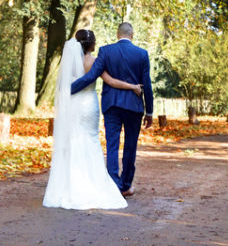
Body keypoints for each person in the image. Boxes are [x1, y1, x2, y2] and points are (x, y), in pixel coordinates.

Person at [42, 29, 143, 210]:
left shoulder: (68, 64)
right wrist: (133, 86)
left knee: (73, 140)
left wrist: (67, 91)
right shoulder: (94, 62)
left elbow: (63, 85)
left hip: (73, 105)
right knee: (91, 139)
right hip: (88, 104)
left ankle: (71, 185)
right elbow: (111, 81)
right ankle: (94, 184)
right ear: (92, 44)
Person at [69, 22, 153, 196]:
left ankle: (113, 184)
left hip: (111, 105)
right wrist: (150, 111)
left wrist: (68, 90)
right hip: (134, 106)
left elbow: (91, 76)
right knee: (131, 146)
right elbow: (147, 85)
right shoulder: (142, 54)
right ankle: (126, 186)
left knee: (112, 145)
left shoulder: (105, 51)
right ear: (132, 35)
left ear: (117, 34)